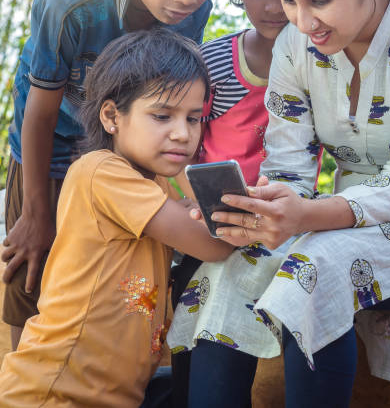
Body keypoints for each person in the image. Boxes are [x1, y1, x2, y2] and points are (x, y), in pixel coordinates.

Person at [192, 0, 390, 406]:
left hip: (388, 213)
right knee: (231, 269)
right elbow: (288, 161)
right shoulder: (294, 45)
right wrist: (262, 208)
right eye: (289, 1)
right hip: (343, 211)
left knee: (317, 267)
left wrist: (308, 217)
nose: (301, 21)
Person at [2, 0, 226, 350]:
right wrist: (38, 212)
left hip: (129, 148)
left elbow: (176, 103)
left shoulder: (193, 10)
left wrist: (186, 189)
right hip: (52, 139)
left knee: (126, 273)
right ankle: (25, 368)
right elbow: (40, 114)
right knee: (33, 264)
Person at [0, 28, 233, 407]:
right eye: (162, 116)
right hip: (54, 392)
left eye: (193, 118)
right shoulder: (103, 172)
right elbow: (212, 243)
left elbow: (203, 216)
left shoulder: (154, 179)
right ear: (112, 116)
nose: (182, 133)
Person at [168, 0, 316, 408]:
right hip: (207, 217)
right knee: (194, 298)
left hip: (280, 222)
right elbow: (180, 147)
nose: (273, 8)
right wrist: (187, 199)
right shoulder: (212, 63)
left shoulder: (318, 66)